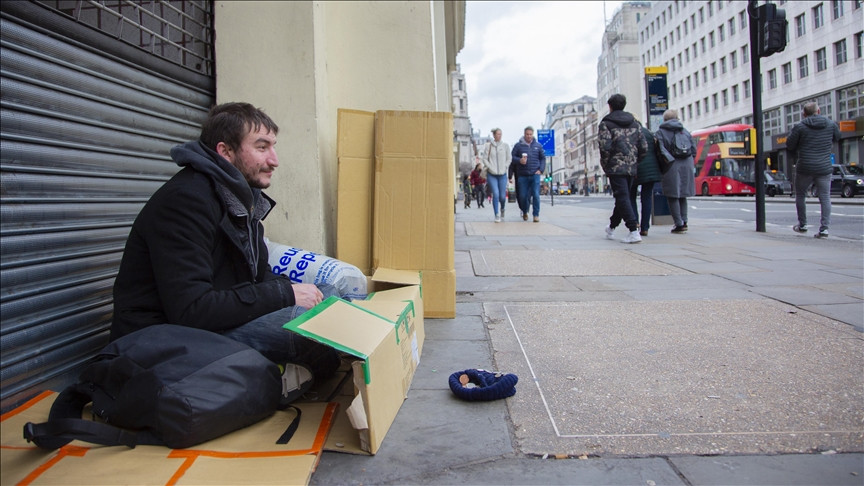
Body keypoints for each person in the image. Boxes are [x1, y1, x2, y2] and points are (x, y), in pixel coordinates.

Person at [111, 102, 340, 403]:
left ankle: (280, 373)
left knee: (333, 297)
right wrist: (286, 296)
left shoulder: (240, 198)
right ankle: (272, 379)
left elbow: (258, 277)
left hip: (221, 319)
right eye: (262, 147)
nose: (275, 160)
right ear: (225, 151)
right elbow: (193, 310)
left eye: (273, 147)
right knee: (314, 335)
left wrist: (292, 290)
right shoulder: (185, 202)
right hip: (164, 338)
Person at [787, 102, 840, 238]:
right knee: (825, 197)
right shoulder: (831, 124)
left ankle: (803, 225)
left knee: (800, 195)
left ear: (804, 114)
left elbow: (790, 145)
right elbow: (838, 137)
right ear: (819, 111)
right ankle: (824, 229)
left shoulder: (800, 127)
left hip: (805, 166)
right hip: (824, 167)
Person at [598, 94, 647, 243]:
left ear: (610, 106)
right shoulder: (635, 123)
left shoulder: (606, 123)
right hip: (631, 166)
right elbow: (644, 146)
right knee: (623, 197)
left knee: (622, 197)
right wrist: (636, 162)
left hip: (615, 166)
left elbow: (604, 147)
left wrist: (606, 164)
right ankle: (611, 227)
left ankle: (633, 231)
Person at [655, 109, 696, 234]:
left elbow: (660, 150)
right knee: (683, 194)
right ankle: (684, 220)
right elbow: (693, 149)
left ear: (665, 120)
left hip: (671, 164)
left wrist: (665, 163)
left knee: (672, 195)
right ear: (677, 118)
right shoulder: (685, 131)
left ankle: (678, 223)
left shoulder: (660, 132)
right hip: (687, 163)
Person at [629, 125, 663, 236]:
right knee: (646, 198)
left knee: (631, 196)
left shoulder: (631, 131)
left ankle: (635, 222)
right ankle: (645, 228)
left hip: (636, 168)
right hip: (651, 169)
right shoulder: (648, 132)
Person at [511, 126, 546, 222]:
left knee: (535, 194)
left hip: (535, 174)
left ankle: (536, 215)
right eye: (527, 134)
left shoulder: (538, 146)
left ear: (533, 134)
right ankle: (525, 211)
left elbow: (543, 158)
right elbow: (512, 158)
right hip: (522, 175)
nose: (529, 136)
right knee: (523, 196)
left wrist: (541, 170)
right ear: (524, 134)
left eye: (530, 134)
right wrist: (519, 160)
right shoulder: (518, 146)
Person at [483, 128, 511, 222]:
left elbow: (509, 158)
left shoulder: (505, 146)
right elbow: (485, 159)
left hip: (502, 174)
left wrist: (505, 166)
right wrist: (490, 167)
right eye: (498, 134)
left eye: (500, 134)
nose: (499, 136)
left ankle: (502, 208)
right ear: (494, 135)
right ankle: (497, 214)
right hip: (492, 174)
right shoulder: (488, 146)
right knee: (496, 194)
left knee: (502, 196)